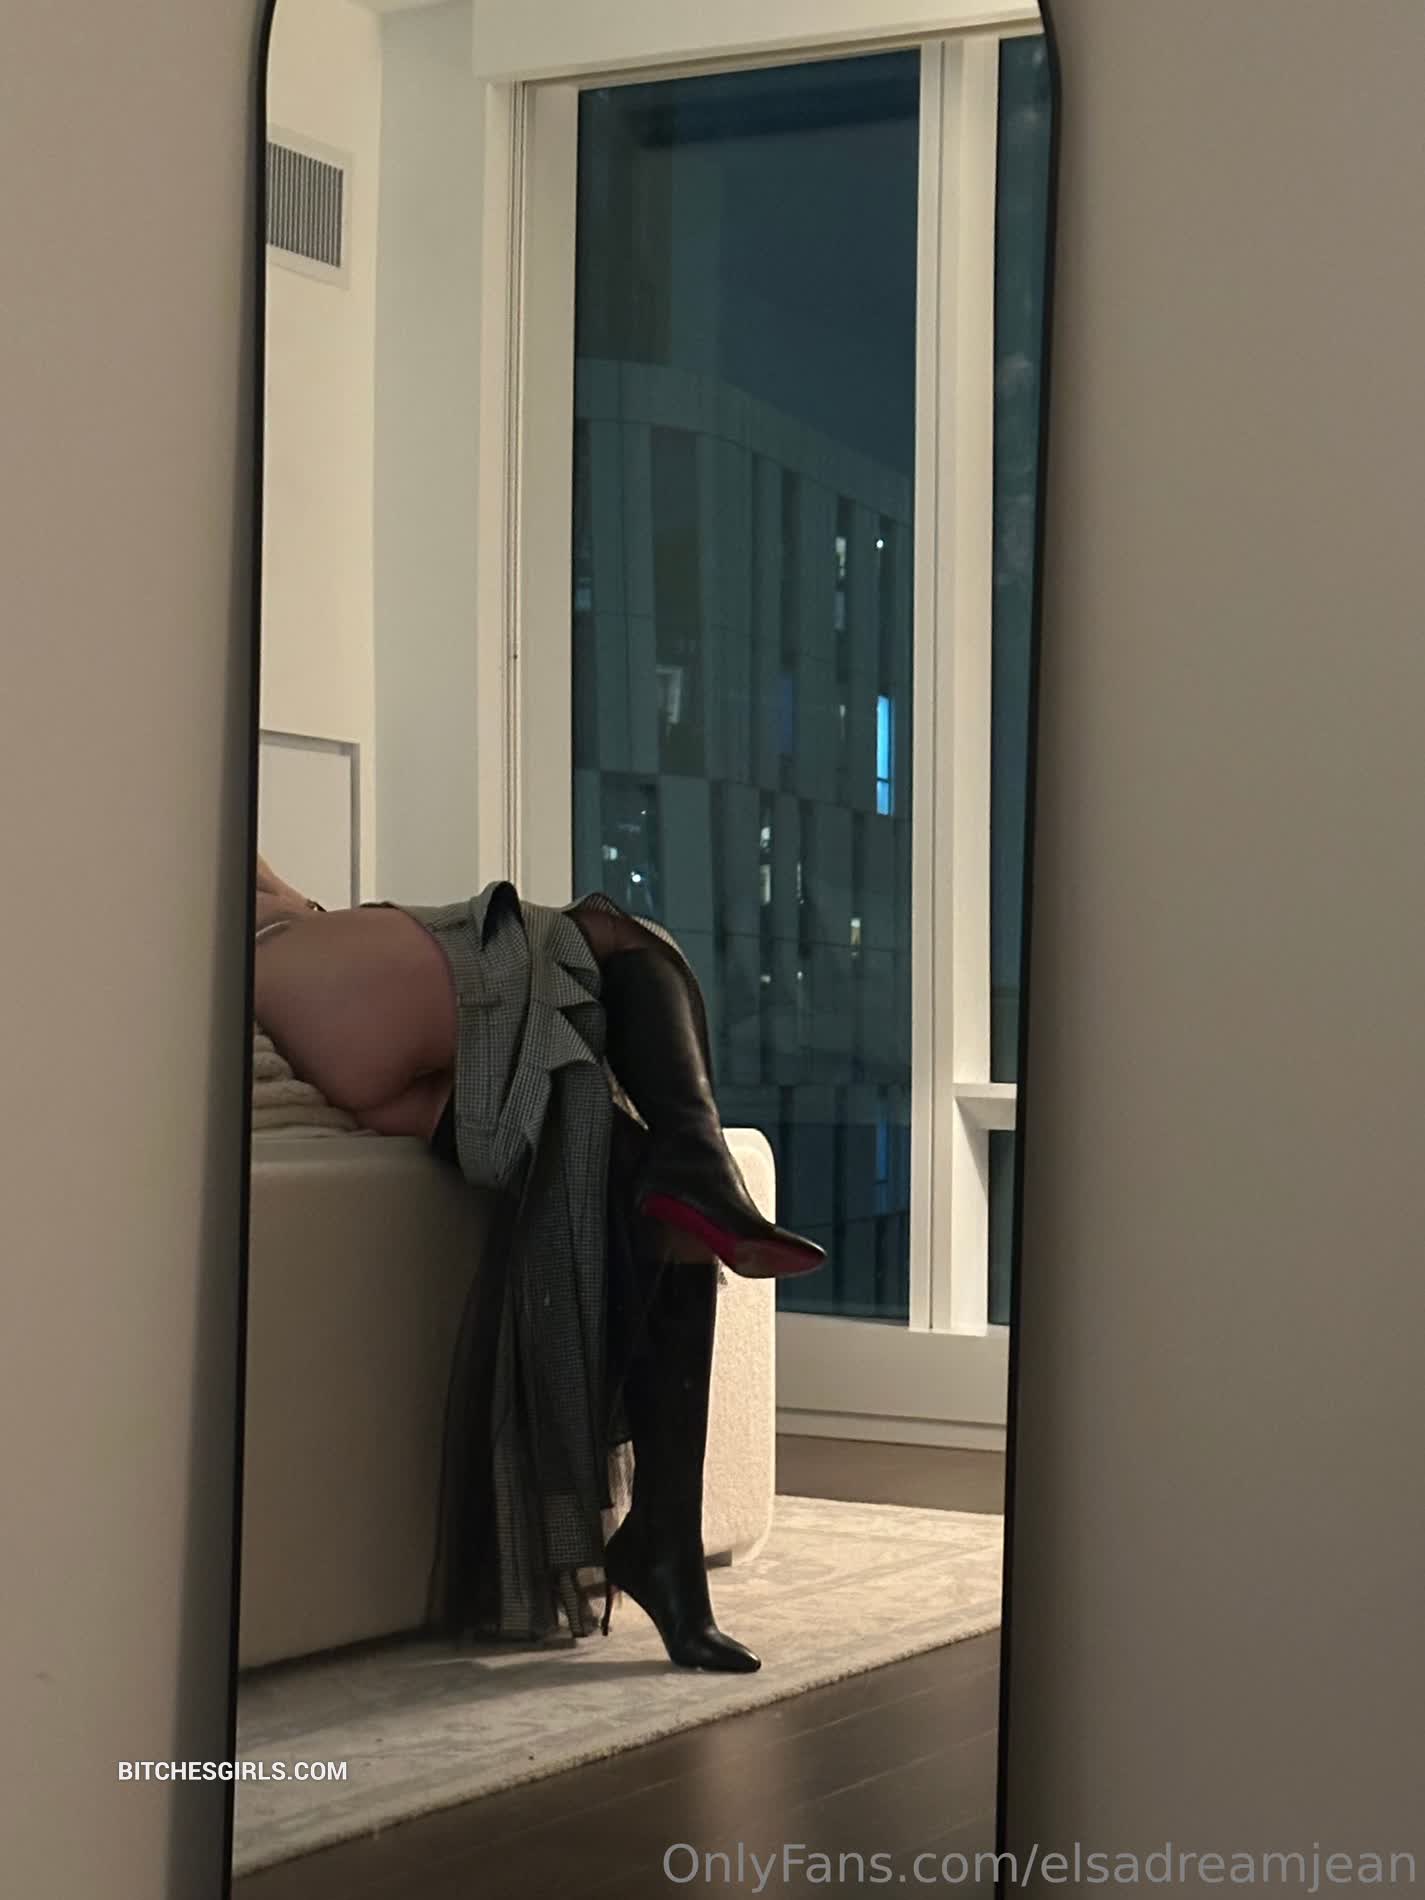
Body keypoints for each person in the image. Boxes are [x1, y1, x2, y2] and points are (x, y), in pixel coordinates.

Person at [252, 855, 826, 1673]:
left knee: (637, 1189)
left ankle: (665, 1546)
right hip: (319, 981)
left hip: (343, 1044)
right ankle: (700, 1160)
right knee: (613, 937)